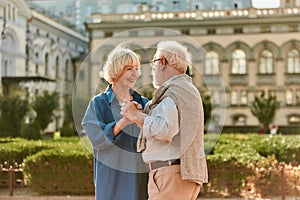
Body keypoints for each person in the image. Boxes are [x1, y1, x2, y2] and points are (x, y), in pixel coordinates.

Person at [121, 41, 208, 200]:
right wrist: (145, 115)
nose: (152, 69)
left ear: (162, 62)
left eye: (153, 63)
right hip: (180, 175)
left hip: (169, 176)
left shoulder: (173, 92)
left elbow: (165, 130)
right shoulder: (185, 90)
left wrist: (137, 116)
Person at [81, 45, 148, 200]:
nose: (135, 74)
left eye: (137, 68)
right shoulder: (99, 103)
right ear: (117, 70)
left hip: (141, 179)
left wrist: (141, 118)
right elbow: (97, 139)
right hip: (112, 179)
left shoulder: (144, 103)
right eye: (129, 68)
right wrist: (124, 121)